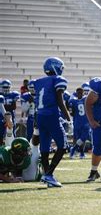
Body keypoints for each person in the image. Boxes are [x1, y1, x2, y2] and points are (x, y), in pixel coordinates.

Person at [33, 57, 71, 187]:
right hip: (51, 116)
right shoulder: (58, 80)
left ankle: (48, 176)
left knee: (44, 147)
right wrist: (67, 115)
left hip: (40, 116)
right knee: (63, 146)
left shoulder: (38, 82)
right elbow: (60, 99)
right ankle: (48, 174)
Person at [69, 85, 90, 159]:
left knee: (82, 138)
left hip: (80, 122)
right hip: (82, 122)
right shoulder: (86, 99)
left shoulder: (73, 101)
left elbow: (71, 112)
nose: (80, 94)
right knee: (80, 138)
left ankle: (75, 150)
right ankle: (79, 152)